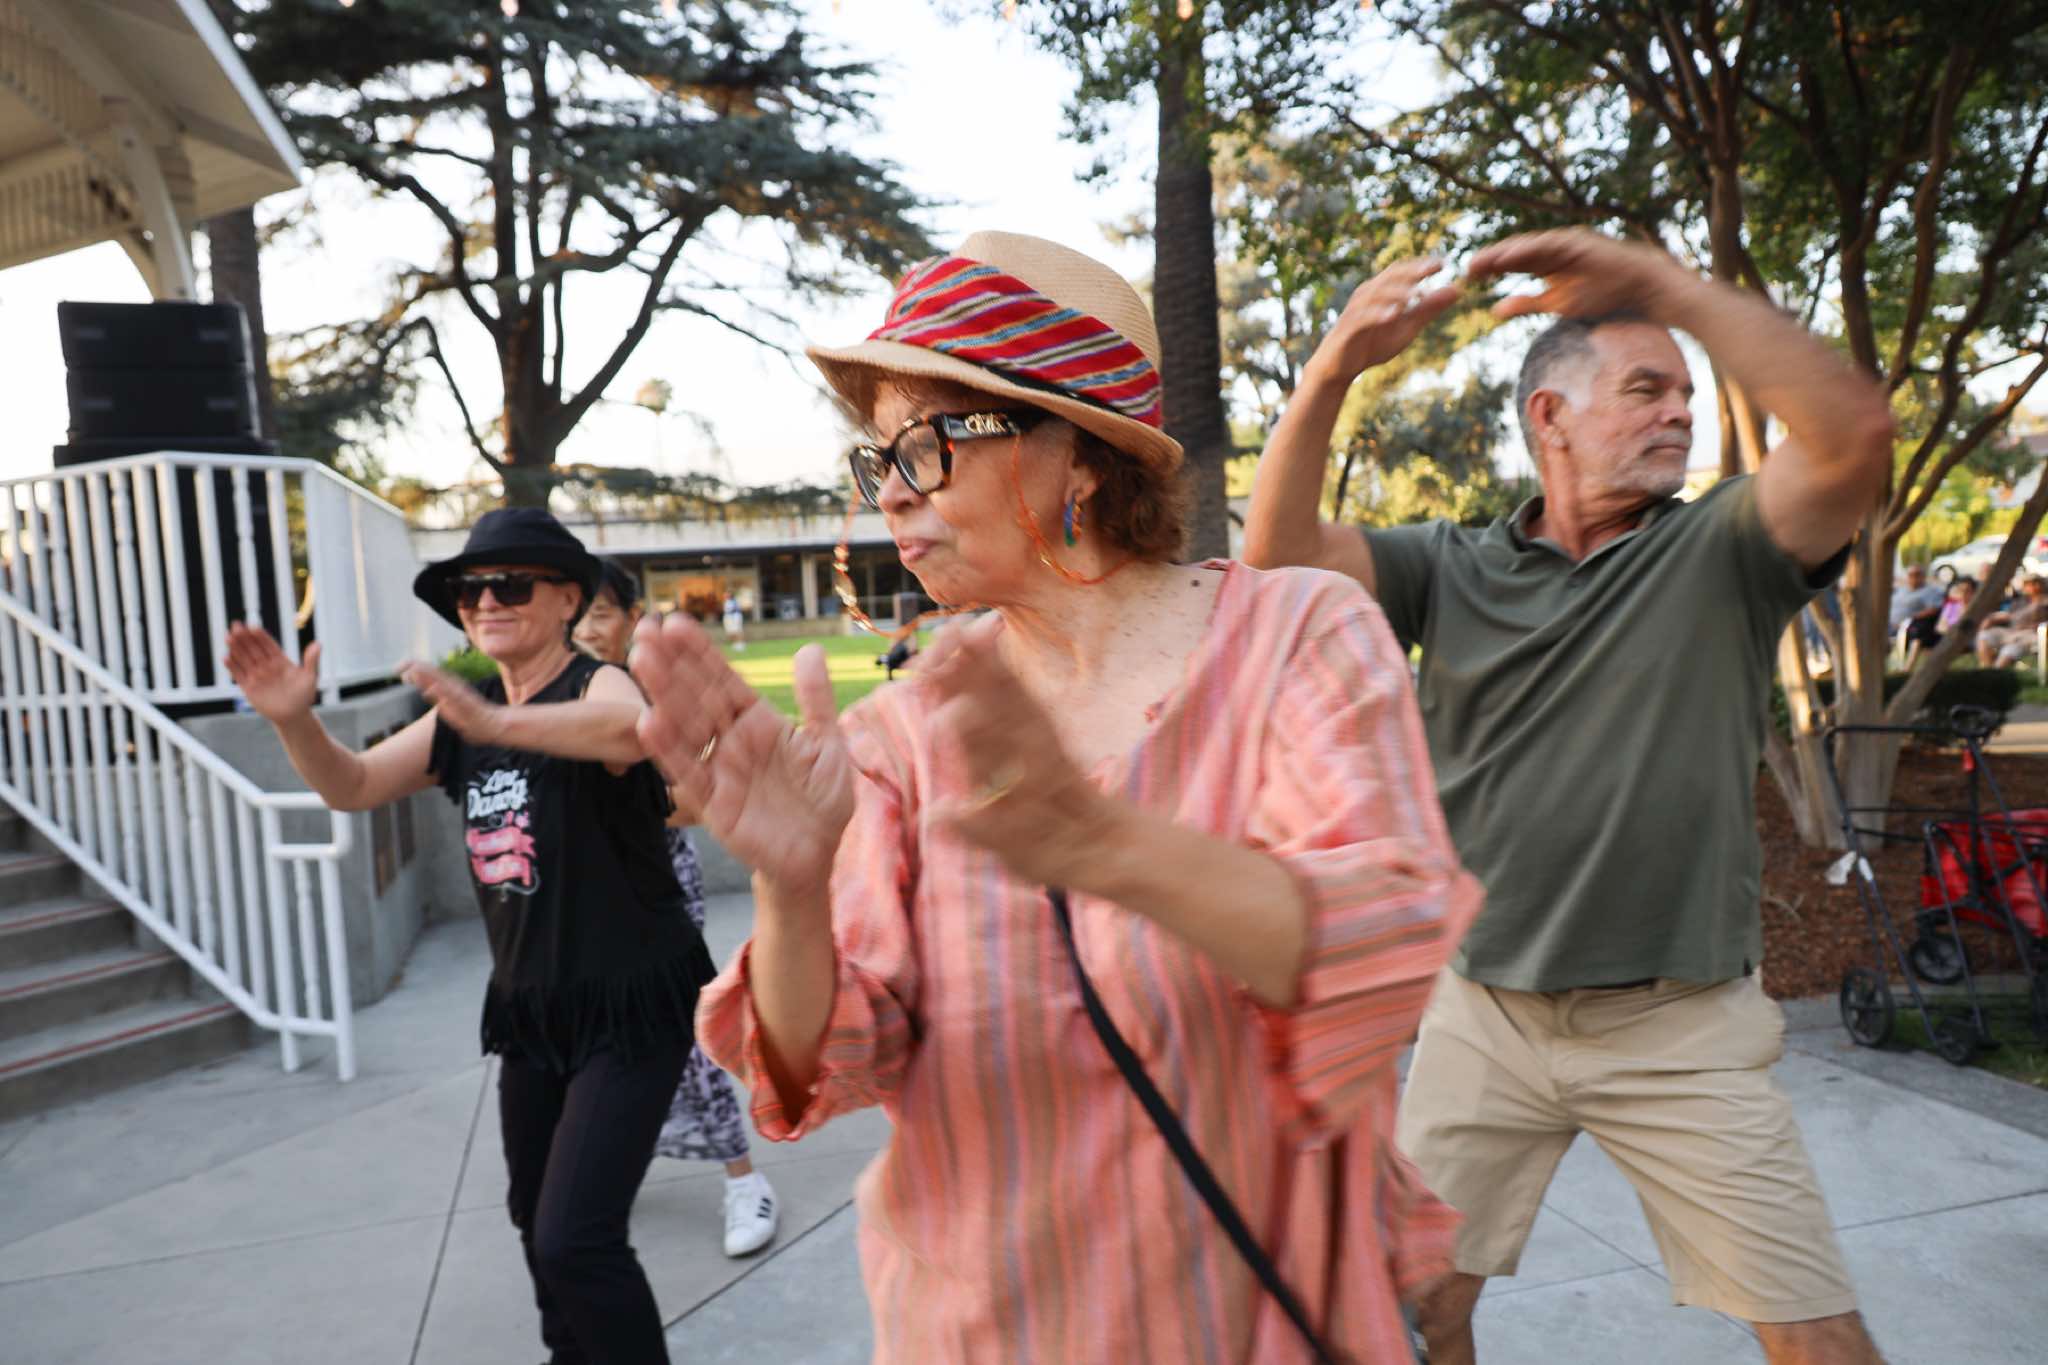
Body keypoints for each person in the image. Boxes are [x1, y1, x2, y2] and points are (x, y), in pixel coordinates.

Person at [628, 230, 1483, 1362]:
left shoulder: (1299, 636)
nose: (891, 491)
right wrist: (790, 889)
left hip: (1257, 1322)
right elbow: (830, 1060)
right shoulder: (904, 732)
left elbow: (1385, 934)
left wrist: (1102, 843)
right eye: (877, 459)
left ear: (1076, 453)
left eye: (926, 445)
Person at [1243, 230, 1895, 1365]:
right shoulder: (1448, 566)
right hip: (1482, 1017)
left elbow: (1853, 438)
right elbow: (1273, 563)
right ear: (1549, 416)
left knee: (1818, 1338)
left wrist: (1668, 289)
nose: (1680, 413)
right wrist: (1333, 368)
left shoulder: (1724, 546)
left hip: (1676, 1025)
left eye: (1686, 393)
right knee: (1410, 1313)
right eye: (1646, 389)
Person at [224, 507, 716, 1365]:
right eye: (470, 589)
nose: (486, 600)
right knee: (534, 1216)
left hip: (632, 1002)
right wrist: (293, 720)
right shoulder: (466, 715)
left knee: (575, 1235)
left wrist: (497, 726)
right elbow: (354, 784)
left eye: (511, 584)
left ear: (567, 599)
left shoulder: (596, 684)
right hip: (532, 1008)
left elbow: (629, 733)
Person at [571, 557, 780, 1257]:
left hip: (654, 889)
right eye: (577, 615)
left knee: (682, 1034)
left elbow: (695, 799)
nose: (586, 629)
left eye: (601, 613)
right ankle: (611, 1157)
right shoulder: (555, 698)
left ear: (632, 620)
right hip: (579, 899)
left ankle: (744, 1179)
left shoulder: (650, 696)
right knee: (593, 1037)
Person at [1975, 574, 2048, 667]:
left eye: (2028, 584)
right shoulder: (2020, 601)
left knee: (2009, 651)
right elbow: (2007, 615)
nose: (2024, 587)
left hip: (2031, 635)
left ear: (2038, 585)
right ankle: (1988, 668)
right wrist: (1991, 619)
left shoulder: (2045, 602)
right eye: (2025, 584)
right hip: (2011, 632)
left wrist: (2034, 626)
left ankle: (1994, 673)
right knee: (1984, 636)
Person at [1889, 562, 1945, 644]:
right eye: (1910, 575)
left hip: (1908, 627)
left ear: (1923, 576)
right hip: (1888, 623)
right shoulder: (1901, 589)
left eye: (1917, 574)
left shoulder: (1931, 591)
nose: (1913, 577)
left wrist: (1908, 620)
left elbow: (1934, 609)